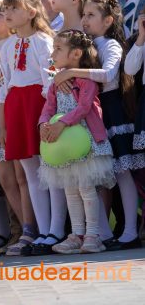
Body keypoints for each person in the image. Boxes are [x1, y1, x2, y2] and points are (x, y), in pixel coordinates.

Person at [63, 0, 144, 250]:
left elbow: (110, 74)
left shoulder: (110, 45)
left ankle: (129, 231)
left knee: (122, 172)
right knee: (95, 174)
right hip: (88, 112)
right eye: (84, 15)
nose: (85, 20)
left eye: (91, 15)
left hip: (110, 109)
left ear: (108, 20)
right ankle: (103, 233)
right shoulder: (85, 45)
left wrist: (73, 73)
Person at [0, 0, 67, 256]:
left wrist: (46, 115)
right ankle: (39, 230)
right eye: (6, 9)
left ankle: (56, 229)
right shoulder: (7, 45)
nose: (8, 13)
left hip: (38, 106)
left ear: (30, 11)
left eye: (13, 8)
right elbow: (4, 85)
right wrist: (4, 125)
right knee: (29, 171)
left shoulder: (42, 40)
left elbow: (49, 78)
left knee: (50, 168)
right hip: (16, 106)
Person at [39, 30, 115, 254]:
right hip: (64, 143)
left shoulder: (86, 81)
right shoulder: (56, 81)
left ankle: (93, 234)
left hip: (86, 141)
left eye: (58, 49)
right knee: (70, 189)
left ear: (76, 54)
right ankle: (76, 234)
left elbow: (83, 107)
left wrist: (62, 123)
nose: (53, 53)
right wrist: (43, 124)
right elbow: (48, 107)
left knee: (86, 187)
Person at [0, 0, 33, 254]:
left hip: (12, 106)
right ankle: (24, 226)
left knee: (22, 175)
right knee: (5, 178)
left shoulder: (11, 43)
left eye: (0, 14)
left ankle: (31, 228)